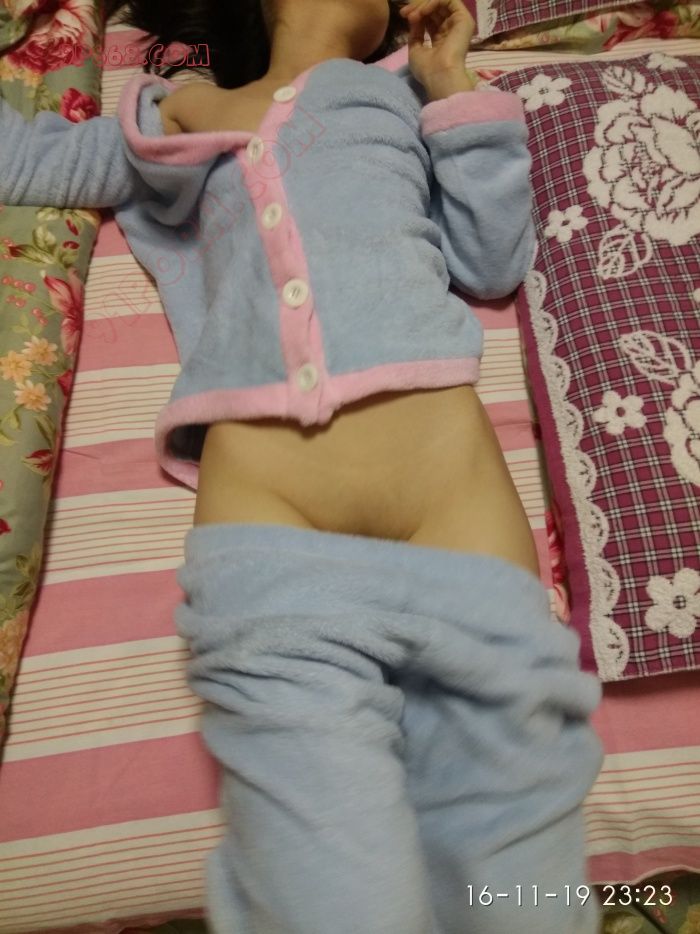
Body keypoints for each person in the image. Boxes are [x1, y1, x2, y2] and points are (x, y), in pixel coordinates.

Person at [1, 0, 605, 930]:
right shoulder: (177, 114)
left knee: (518, 871)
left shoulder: (402, 95)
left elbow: (491, 260)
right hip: (271, 519)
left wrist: (453, 88)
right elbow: (26, 158)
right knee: (324, 891)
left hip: (450, 498)